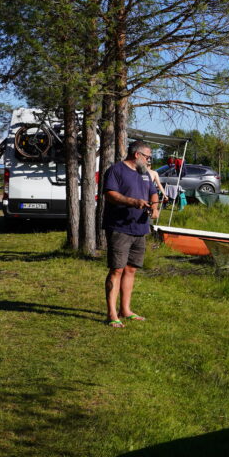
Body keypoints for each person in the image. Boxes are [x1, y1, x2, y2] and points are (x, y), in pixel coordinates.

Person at [102, 140, 160, 327]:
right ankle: (112, 314)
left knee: (131, 269)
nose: (149, 161)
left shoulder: (144, 174)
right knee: (117, 269)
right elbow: (110, 195)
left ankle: (125, 310)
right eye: (147, 157)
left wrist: (155, 208)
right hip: (119, 227)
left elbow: (153, 193)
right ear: (137, 155)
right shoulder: (115, 171)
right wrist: (133, 202)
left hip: (140, 228)